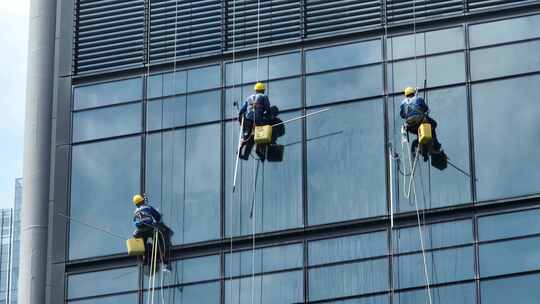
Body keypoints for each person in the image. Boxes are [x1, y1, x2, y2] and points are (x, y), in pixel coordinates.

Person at [400, 86, 442, 161]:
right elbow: (426, 108)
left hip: (410, 125)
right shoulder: (418, 98)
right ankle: (433, 147)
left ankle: (423, 152)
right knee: (433, 125)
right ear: (413, 93)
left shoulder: (403, 103)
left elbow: (402, 115)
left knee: (420, 134)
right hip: (420, 121)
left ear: (406, 95)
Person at [132, 194, 172, 270]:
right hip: (150, 228)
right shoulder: (148, 207)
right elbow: (157, 216)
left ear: (136, 204)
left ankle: (143, 260)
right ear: (143, 201)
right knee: (158, 242)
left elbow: (134, 222)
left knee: (141, 245)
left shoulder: (135, 211)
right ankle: (164, 262)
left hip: (140, 231)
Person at [238, 82, 272, 160]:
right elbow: (267, 108)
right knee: (259, 134)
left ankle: (240, 148)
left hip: (248, 119)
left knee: (247, 135)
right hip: (258, 119)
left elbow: (242, 110)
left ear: (256, 90)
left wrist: (240, 118)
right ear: (263, 90)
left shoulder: (249, 97)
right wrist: (270, 116)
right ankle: (258, 149)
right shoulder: (264, 96)